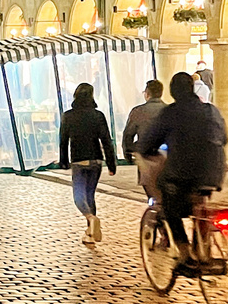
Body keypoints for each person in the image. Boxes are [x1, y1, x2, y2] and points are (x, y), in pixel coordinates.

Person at [136, 72, 227, 268]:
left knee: (169, 206)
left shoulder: (171, 113)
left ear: (173, 92)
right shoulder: (211, 110)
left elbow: (149, 141)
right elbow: (224, 138)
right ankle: (203, 248)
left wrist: (145, 150)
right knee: (199, 202)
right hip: (214, 171)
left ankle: (185, 253)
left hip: (182, 172)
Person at [58, 83, 116, 245]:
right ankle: (90, 232)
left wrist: (63, 162)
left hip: (79, 159)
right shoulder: (98, 115)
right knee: (90, 195)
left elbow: (63, 141)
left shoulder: (68, 116)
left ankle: (91, 219)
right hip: (96, 160)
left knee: (79, 197)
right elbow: (106, 141)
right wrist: (111, 164)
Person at [121, 80, 166, 199]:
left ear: (147, 94)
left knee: (150, 191)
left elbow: (128, 135)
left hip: (146, 158)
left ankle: (154, 210)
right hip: (167, 157)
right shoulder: (170, 111)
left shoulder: (138, 111)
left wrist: (128, 152)